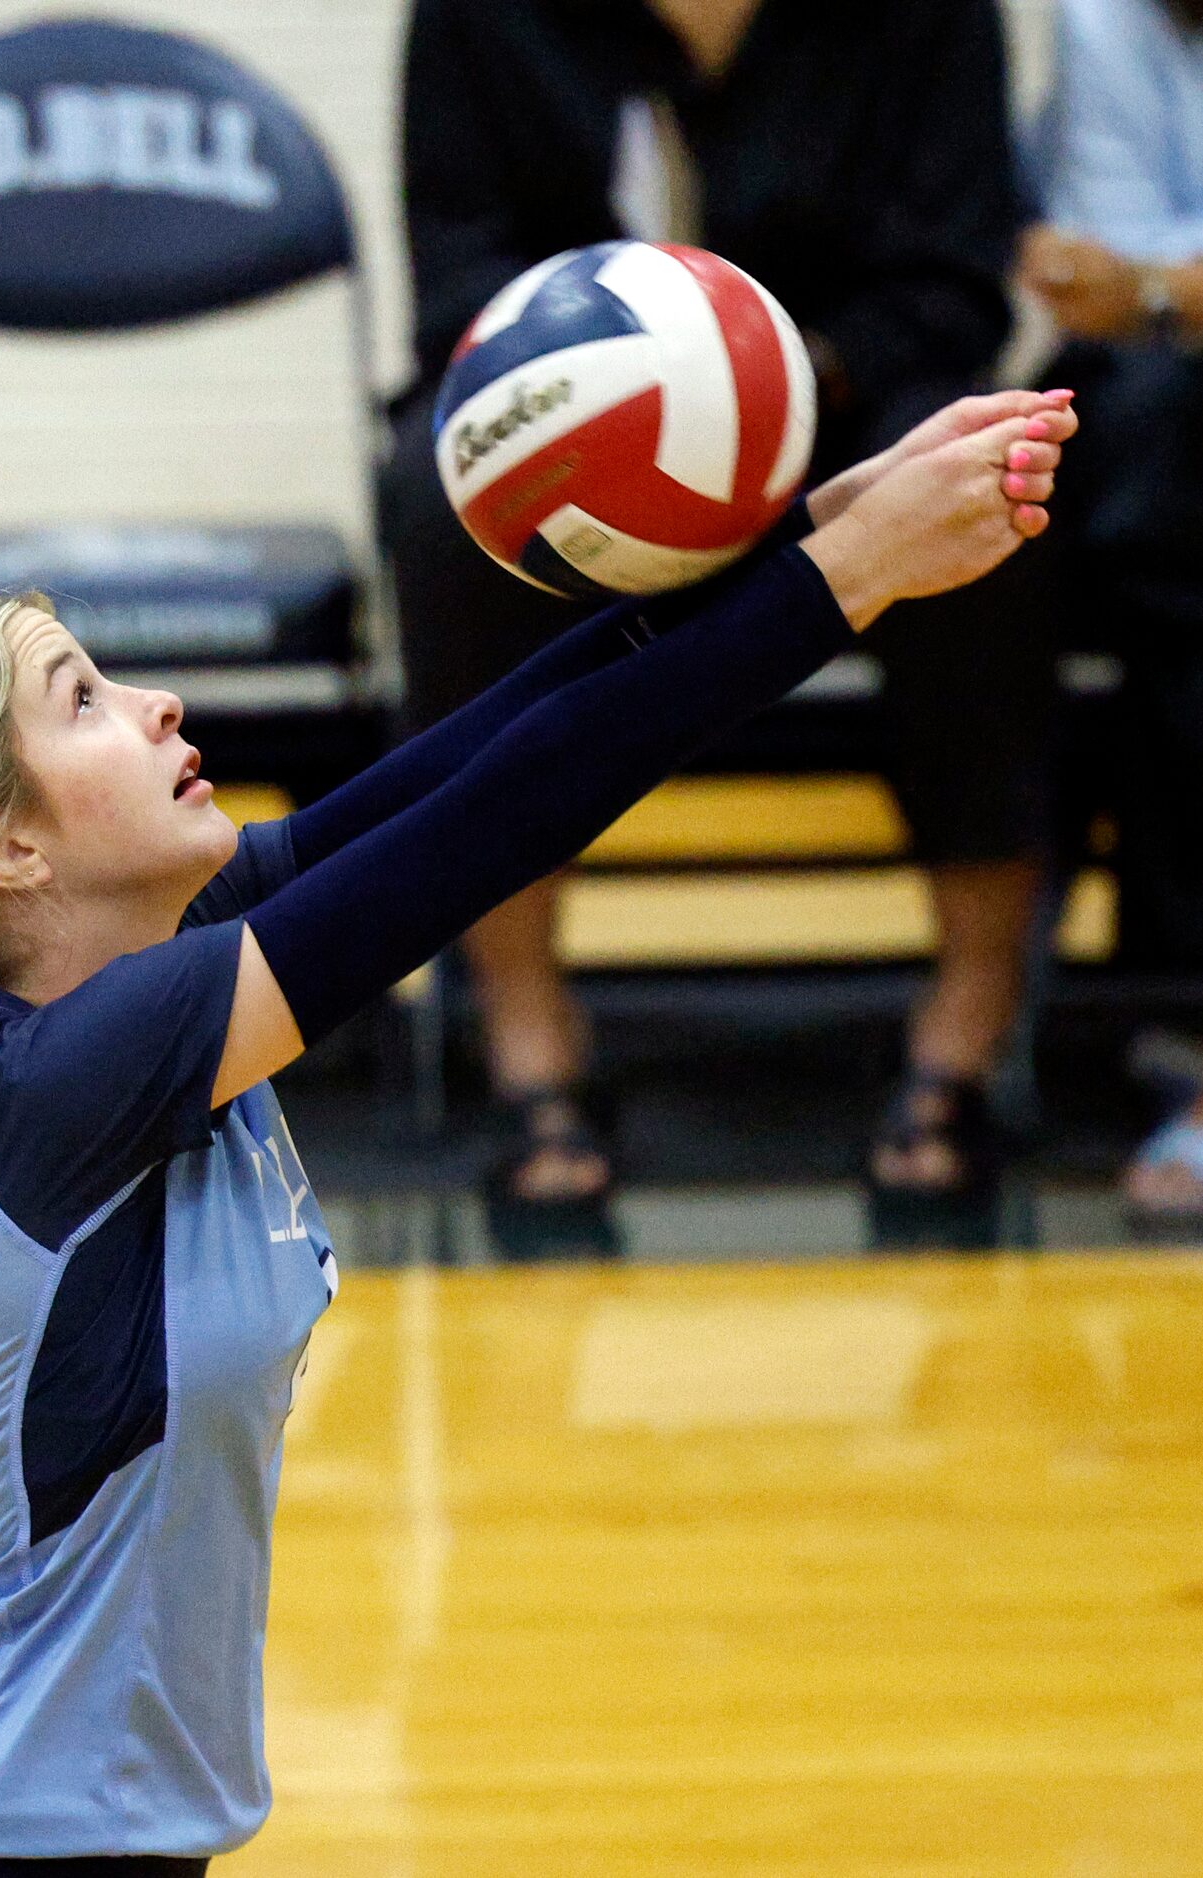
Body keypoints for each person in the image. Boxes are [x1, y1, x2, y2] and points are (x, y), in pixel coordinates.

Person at [0, 384, 1073, 1875]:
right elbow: (499, 823)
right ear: (6, 850)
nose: (155, 704)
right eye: (82, 701)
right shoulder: (50, 1085)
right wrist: (851, 580)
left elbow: (492, 749)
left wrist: (812, 529)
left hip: (67, 1841)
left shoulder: (130, 988)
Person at [381, 0, 1052, 1236]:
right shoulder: (480, 19)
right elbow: (457, 285)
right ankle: (530, 1037)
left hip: (842, 392)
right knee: (436, 511)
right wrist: (620, 393)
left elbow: (955, 289)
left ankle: (964, 1028)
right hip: (579, 424)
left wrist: (757, 377)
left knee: (986, 482)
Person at [1016, 0, 1203, 1228]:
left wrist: (1148, 286)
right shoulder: (1102, 21)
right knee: (1137, 461)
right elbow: (1094, 283)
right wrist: (1156, 288)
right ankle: (1180, 1015)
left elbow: (1129, 281)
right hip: (1166, 437)